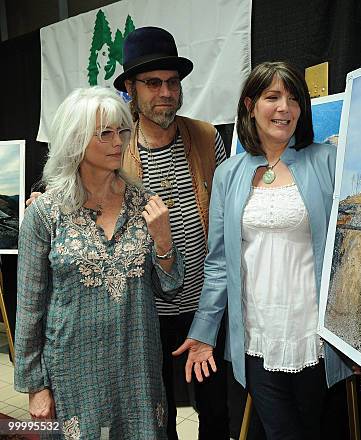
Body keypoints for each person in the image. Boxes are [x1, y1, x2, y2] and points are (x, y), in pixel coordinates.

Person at [173, 61, 353, 439]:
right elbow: (219, 263)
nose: (284, 108)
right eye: (272, 97)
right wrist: (204, 332)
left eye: (293, 99)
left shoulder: (328, 161)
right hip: (256, 338)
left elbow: (350, 250)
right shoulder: (229, 174)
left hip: (314, 337)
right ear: (250, 105)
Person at [14, 86, 184, 439]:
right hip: (73, 375)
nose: (118, 142)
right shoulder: (45, 214)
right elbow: (29, 306)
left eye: (122, 131)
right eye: (105, 133)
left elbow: (169, 288)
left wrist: (164, 240)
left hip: (137, 372)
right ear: (75, 140)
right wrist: (35, 386)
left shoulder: (147, 205)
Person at [114, 26, 229, 439]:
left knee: (217, 412)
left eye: (173, 82)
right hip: (146, 314)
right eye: (153, 83)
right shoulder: (117, 148)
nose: (166, 92)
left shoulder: (205, 136)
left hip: (206, 309)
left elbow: (227, 216)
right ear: (130, 88)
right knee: (158, 418)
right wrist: (40, 195)